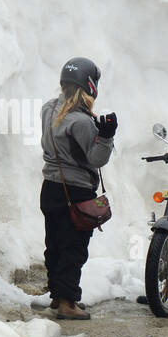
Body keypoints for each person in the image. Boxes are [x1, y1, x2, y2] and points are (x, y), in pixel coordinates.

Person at [39, 57, 117, 320]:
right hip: (76, 192)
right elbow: (96, 159)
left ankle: (57, 296)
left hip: (50, 188)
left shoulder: (48, 109)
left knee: (55, 245)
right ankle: (67, 303)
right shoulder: (81, 121)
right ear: (90, 85)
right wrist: (106, 135)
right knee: (74, 248)